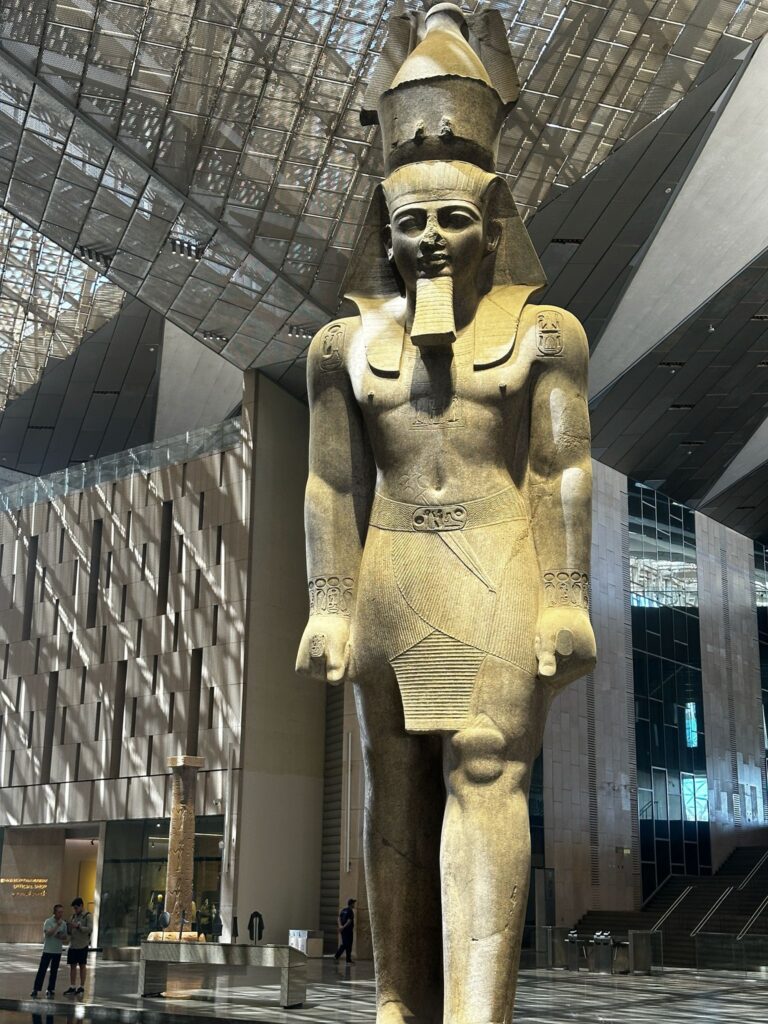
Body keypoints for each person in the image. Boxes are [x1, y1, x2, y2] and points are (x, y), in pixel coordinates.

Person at [296, 4, 595, 1022]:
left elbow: (560, 467)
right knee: (395, 778)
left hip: (497, 553)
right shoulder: (341, 345)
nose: (429, 239)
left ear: (494, 221)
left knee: (482, 764)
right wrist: (329, 603)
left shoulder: (547, 331)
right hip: (390, 571)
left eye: (453, 218)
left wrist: (566, 595)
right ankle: (396, 1002)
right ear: (382, 228)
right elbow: (333, 482)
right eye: (410, 220)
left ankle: (478, 1008)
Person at [31, 903, 68, 999]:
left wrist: (60, 936)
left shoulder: (63, 923)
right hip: (47, 950)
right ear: (54, 912)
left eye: (62, 912)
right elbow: (47, 934)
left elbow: (65, 937)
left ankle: (51, 989)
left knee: (54, 971)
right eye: (59, 912)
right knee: (42, 970)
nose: (61, 914)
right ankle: (36, 989)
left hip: (57, 951)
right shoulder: (48, 921)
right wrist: (56, 926)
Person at [63, 897, 92, 996]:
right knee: (72, 966)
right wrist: (69, 928)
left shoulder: (87, 916)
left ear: (81, 906)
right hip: (73, 945)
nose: (75, 910)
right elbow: (69, 932)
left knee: (82, 965)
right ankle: (72, 986)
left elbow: (89, 929)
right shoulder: (72, 917)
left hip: (82, 945)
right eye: (74, 908)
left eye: (76, 908)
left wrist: (78, 927)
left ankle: (82, 986)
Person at [334, 898, 356, 964]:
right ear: (351, 904)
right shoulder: (350, 911)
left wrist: (340, 926)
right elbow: (349, 921)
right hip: (348, 931)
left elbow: (339, 918)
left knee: (347, 944)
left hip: (343, 930)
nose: (354, 905)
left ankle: (348, 959)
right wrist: (342, 927)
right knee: (346, 944)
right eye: (354, 903)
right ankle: (337, 956)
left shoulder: (343, 910)